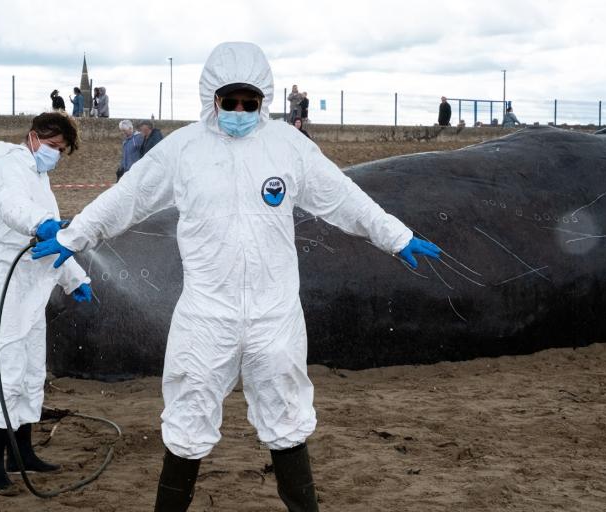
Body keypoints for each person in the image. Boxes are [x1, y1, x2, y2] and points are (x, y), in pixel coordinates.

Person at [31, 42, 441, 512]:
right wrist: (73, 236)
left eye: (250, 102)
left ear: (262, 100)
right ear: (214, 99)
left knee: (287, 417)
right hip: (207, 316)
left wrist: (396, 235)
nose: (241, 110)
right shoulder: (183, 151)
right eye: (231, 101)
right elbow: (127, 198)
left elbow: (342, 198)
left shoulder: (288, 147)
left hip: (275, 315)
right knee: (187, 420)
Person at [0, 112, 92, 496]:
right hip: (0, 285)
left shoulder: (39, 177)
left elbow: (52, 243)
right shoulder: (8, 169)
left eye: (61, 150)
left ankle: (22, 453)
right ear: (33, 137)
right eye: (52, 147)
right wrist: (39, 222)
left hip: (30, 289)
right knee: (6, 374)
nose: (55, 154)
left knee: (31, 372)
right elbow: (12, 208)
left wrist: (76, 279)